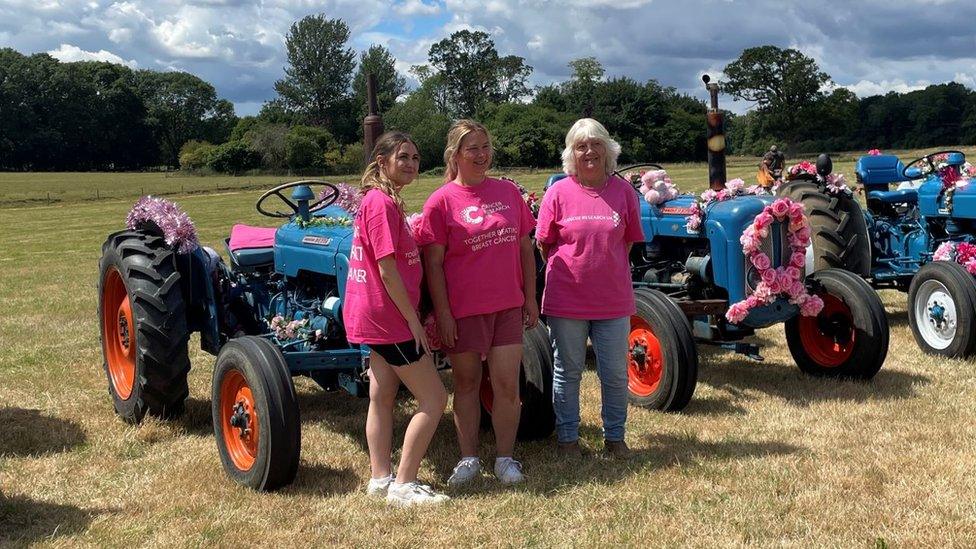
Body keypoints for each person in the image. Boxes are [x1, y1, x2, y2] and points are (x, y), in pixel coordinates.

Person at [416, 120, 538, 485]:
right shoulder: (441, 201)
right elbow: (433, 265)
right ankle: (468, 459)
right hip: (464, 310)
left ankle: (505, 459)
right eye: (472, 148)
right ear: (455, 154)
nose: (481, 155)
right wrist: (444, 313)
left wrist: (530, 297)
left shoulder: (508, 192)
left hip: (506, 307)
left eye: (485, 146)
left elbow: (525, 249)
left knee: (507, 385)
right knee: (467, 384)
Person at [342, 131, 450, 507]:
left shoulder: (380, 200)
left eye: (416, 158)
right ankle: (404, 484)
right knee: (434, 399)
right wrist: (414, 322)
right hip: (389, 317)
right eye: (403, 156)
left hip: (373, 314)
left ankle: (380, 477)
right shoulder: (382, 204)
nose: (411, 163)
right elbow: (387, 270)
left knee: (382, 395)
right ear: (382, 160)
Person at [535, 118, 644, 458]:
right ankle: (568, 440)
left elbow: (627, 243)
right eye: (581, 146)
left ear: (607, 149)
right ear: (572, 153)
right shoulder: (558, 192)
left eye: (596, 144)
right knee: (568, 372)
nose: (589, 152)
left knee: (613, 373)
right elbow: (544, 244)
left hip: (612, 300)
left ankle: (615, 438)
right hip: (567, 299)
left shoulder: (624, 191)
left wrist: (602, 269)